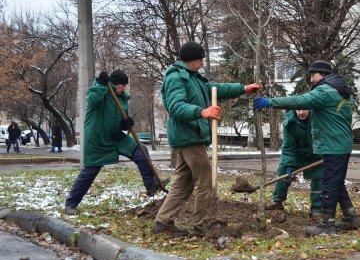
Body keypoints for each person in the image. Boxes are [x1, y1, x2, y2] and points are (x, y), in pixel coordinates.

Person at [153, 41, 262, 236]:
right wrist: (203, 111)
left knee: (183, 183)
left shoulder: (193, 78)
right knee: (205, 181)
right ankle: (201, 226)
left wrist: (244, 89)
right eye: (200, 59)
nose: (202, 63)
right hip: (189, 137)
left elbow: (216, 89)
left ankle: (163, 222)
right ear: (191, 59)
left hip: (191, 136)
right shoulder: (176, 78)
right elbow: (176, 107)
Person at [254, 60, 360, 236]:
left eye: (313, 75)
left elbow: (300, 100)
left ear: (323, 74)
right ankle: (351, 217)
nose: (311, 79)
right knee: (336, 182)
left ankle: (327, 223)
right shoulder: (342, 91)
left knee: (329, 183)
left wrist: (269, 102)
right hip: (341, 143)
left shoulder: (325, 90)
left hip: (333, 145)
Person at [64, 70, 160, 215]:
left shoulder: (122, 99)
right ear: (113, 84)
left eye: (125, 85)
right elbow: (93, 100)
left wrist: (125, 123)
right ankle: (71, 204)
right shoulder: (101, 93)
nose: (124, 88)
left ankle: (151, 187)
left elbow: (120, 119)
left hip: (116, 137)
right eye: (122, 85)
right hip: (97, 139)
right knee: (90, 172)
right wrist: (100, 84)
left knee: (141, 151)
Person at [265, 109, 323, 220]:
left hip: (316, 156)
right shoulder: (290, 123)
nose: (301, 113)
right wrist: (289, 165)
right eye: (298, 110)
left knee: (318, 179)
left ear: (310, 109)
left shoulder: (319, 119)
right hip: (298, 155)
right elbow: (288, 148)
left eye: (304, 110)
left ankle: (317, 209)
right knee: (283, 171)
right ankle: (277, 201)